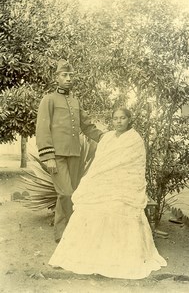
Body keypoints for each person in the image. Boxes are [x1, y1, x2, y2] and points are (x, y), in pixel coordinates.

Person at [48, 107, 167, 279]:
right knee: (88, 206)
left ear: (129, 120)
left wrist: (119, 183)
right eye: (115, 118)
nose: (119, 121)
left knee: (117, 205)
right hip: (105, 181)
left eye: (123, 118)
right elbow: (100, 165)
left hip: (125, 184)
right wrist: (93, 181)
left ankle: (116, 258)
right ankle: (88, 256)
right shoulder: (107, 138)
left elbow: (134, 168)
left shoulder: (134, 139)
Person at [36, 59, 103, 243]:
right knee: (66, 193)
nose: (68, 79)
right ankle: (72, 231)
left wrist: (105, 138)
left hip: (74, 154)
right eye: (64, 75)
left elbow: (87, 125)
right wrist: (48, 156)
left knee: (69, 193)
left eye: (71, 75)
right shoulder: (48, 100)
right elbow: (42, 129)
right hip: (56, 155)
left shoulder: (75, 101)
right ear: (56, 77)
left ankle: (61, 235)